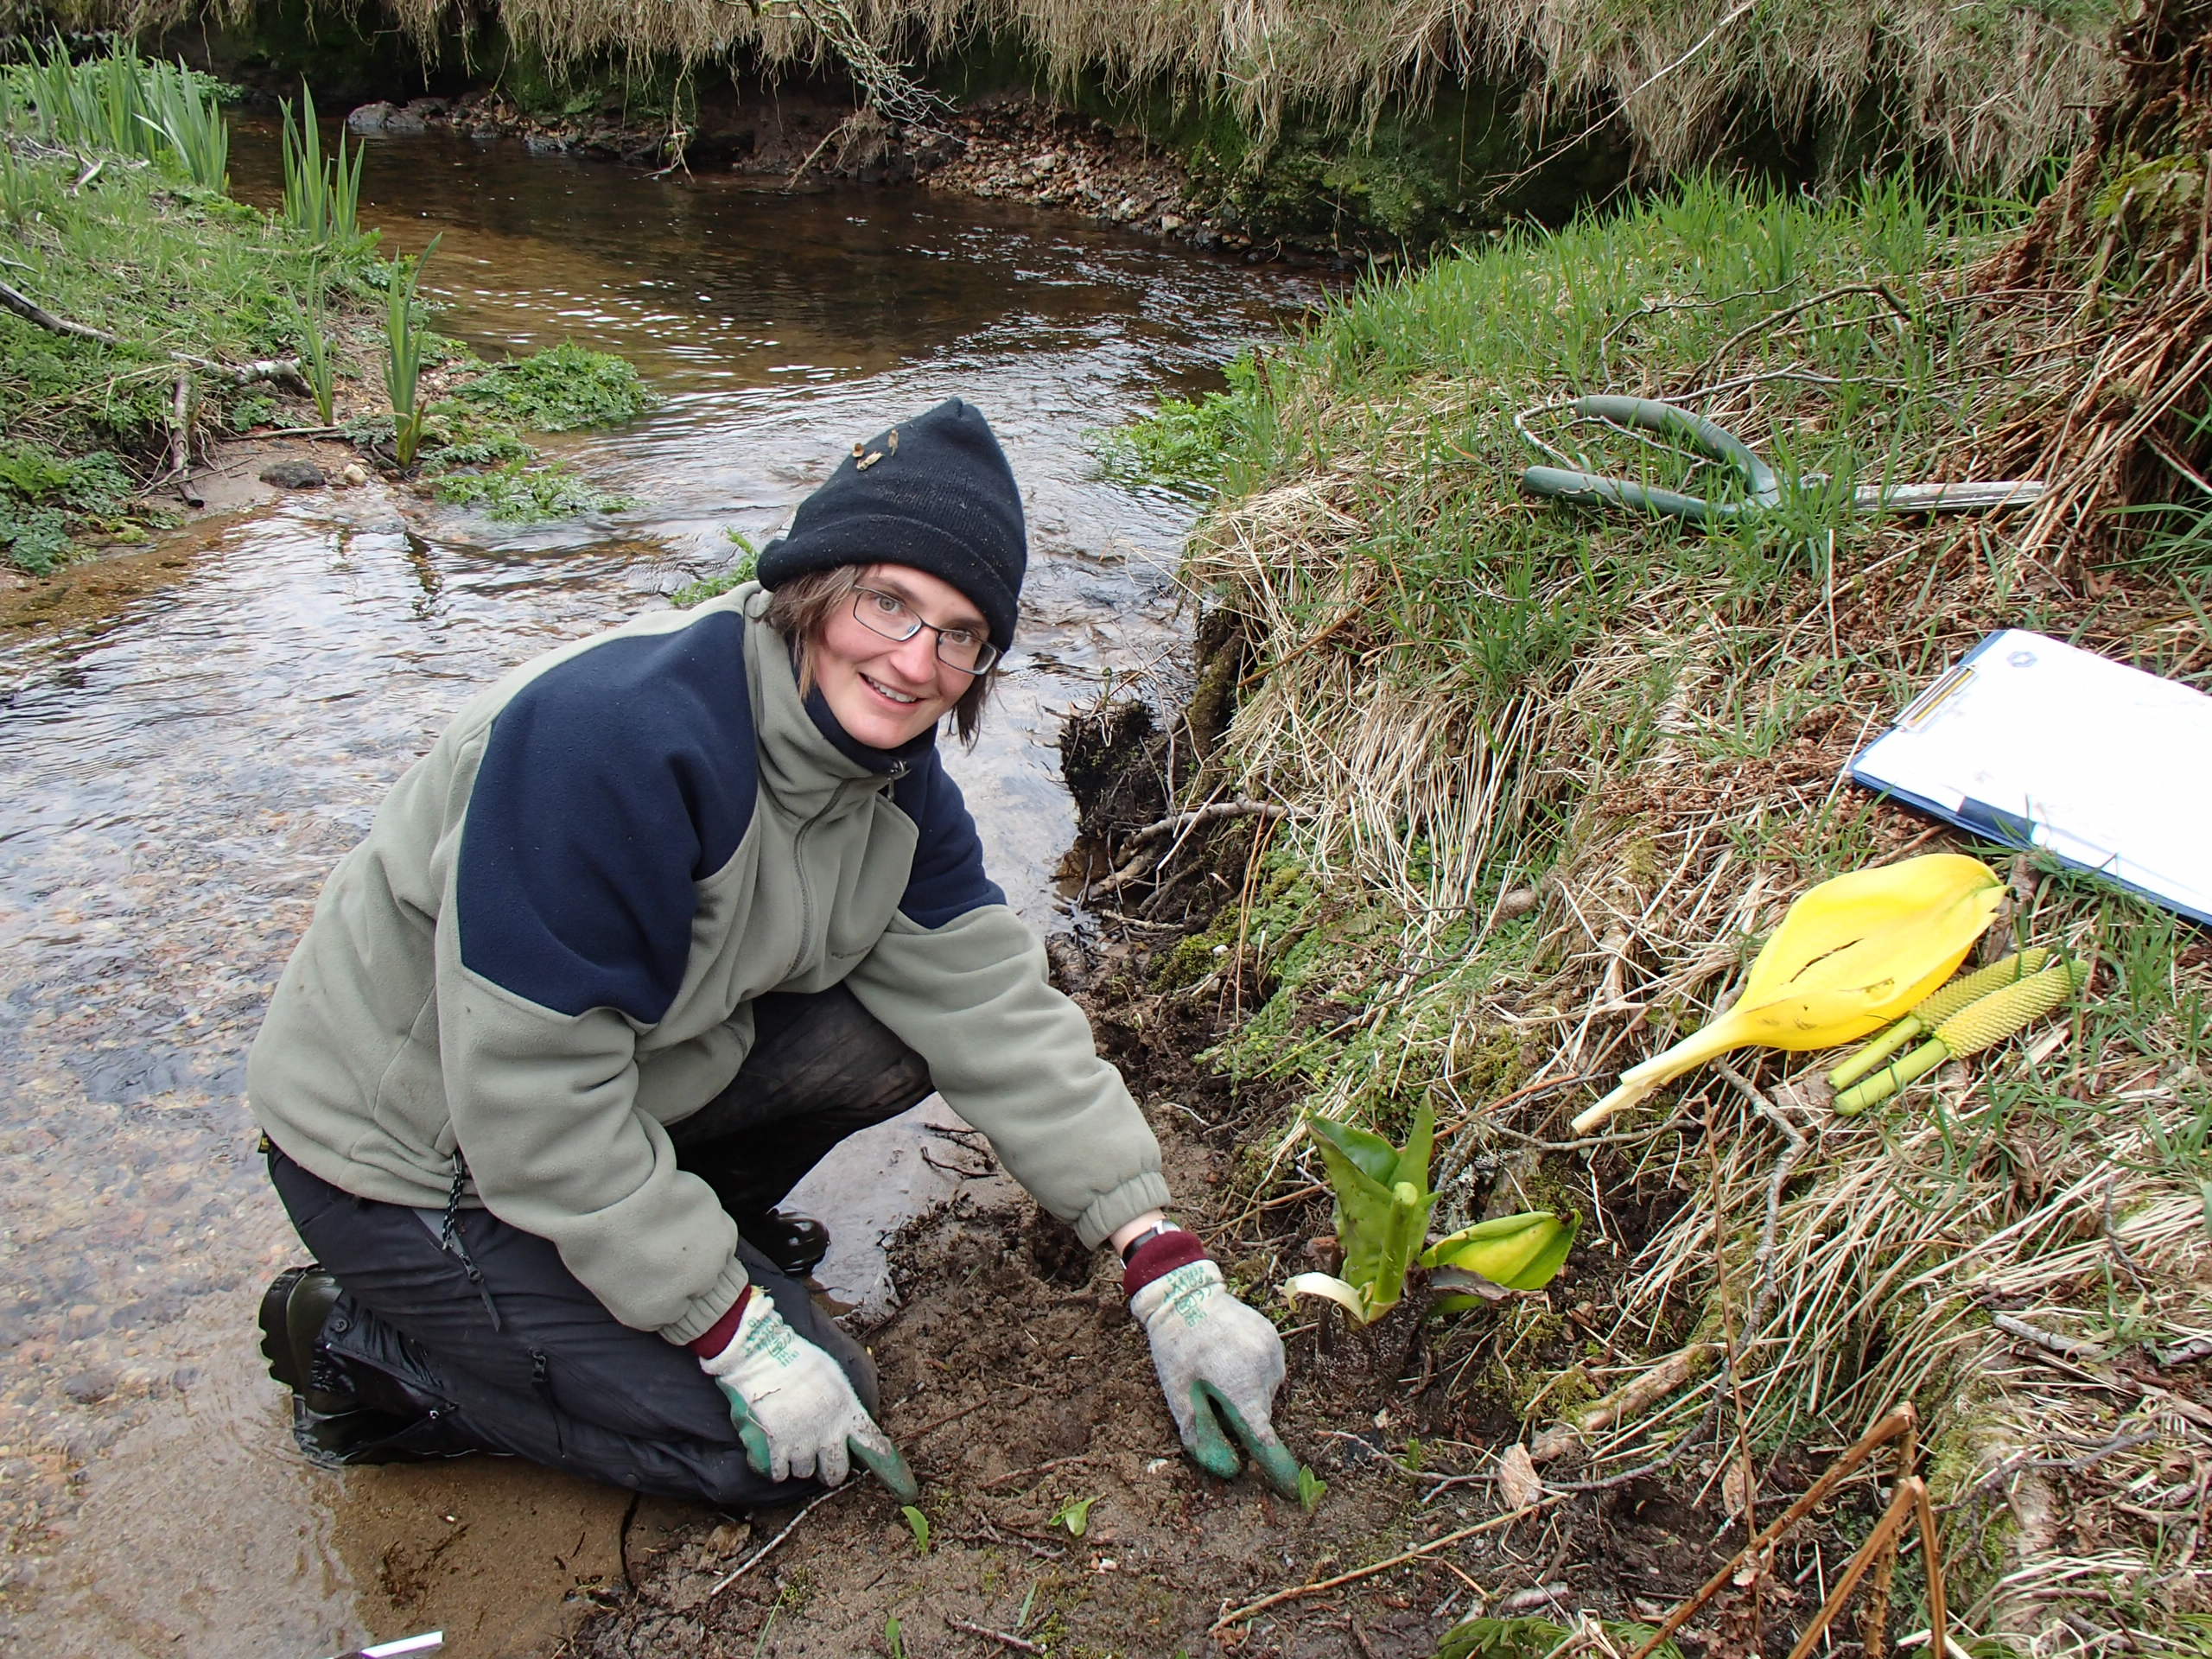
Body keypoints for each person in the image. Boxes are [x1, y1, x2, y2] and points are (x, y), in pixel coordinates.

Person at [248, 397, 1299, 1508]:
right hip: (414, 1160)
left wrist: (1163, 1262)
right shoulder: (614, 744)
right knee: (783, 1447)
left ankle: (682, 1247)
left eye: (958, 634)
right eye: (887, 602)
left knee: (894, 1033)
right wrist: (734, 1332)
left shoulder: (888, 777)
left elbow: (991, 1005)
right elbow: (532, 1101)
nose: (913, 662)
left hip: (580, 1106)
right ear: (811, 588)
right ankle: (365, 1350)